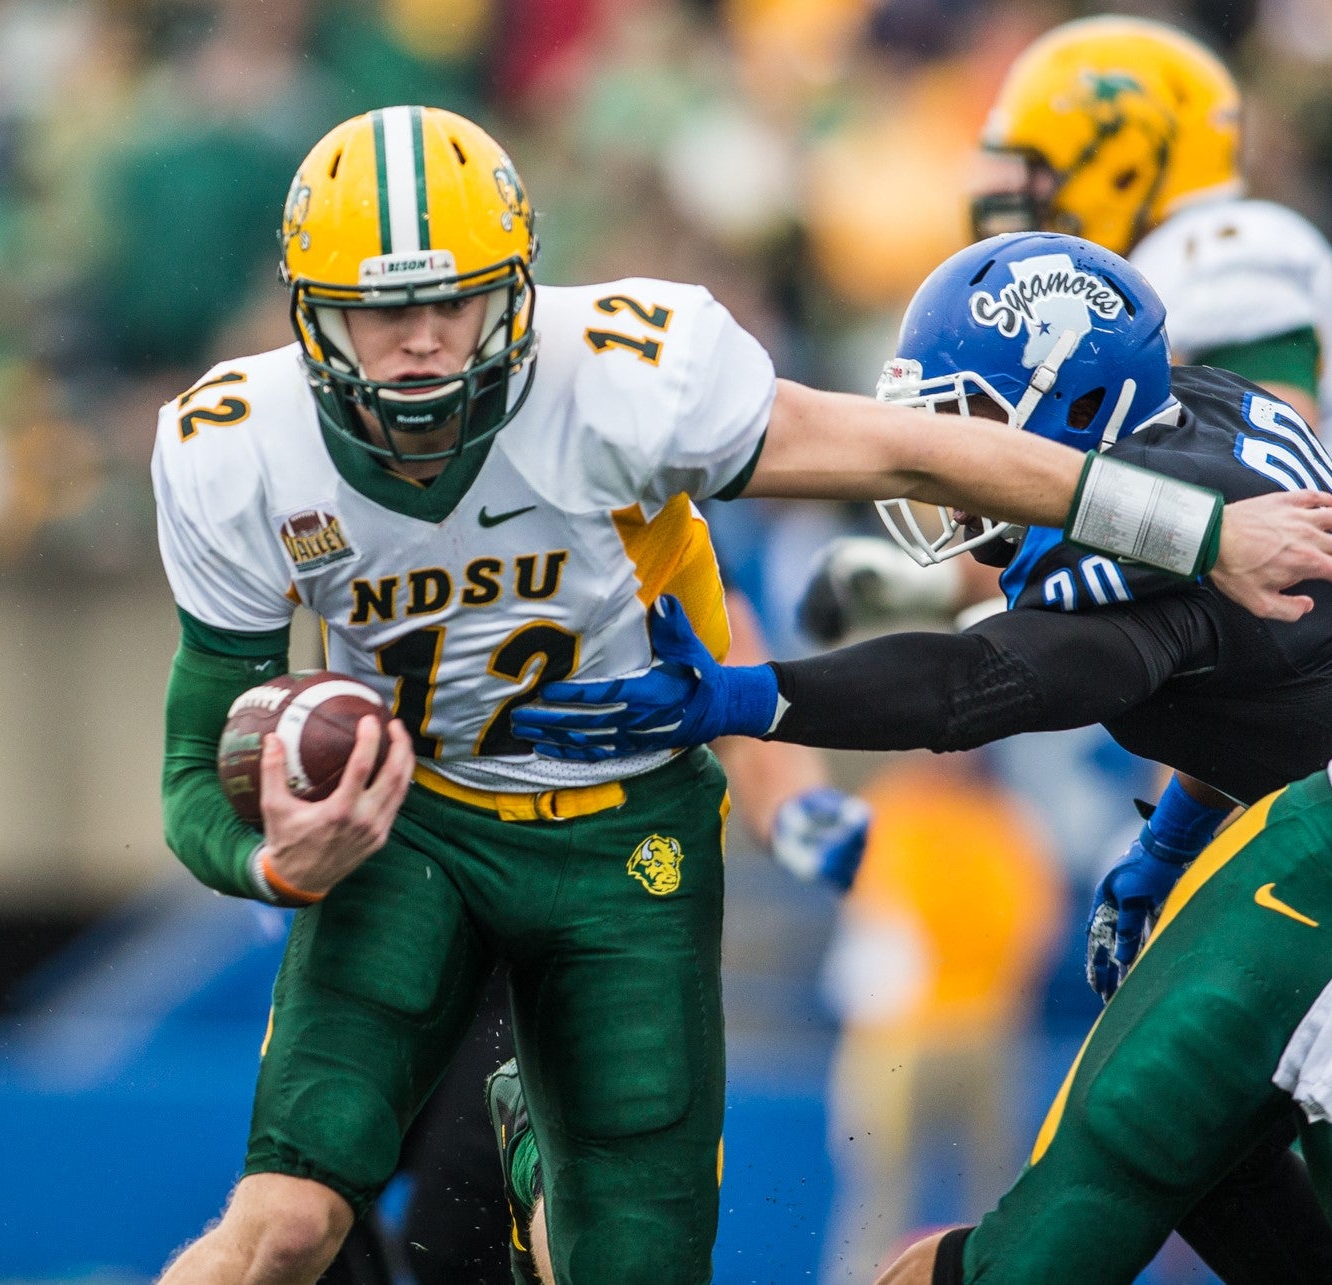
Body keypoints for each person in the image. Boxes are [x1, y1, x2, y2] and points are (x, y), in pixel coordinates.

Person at [150, 103, 1332, 1285]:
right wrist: (273, 864)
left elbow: (955, 586)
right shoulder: (236, 445)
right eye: (377, 311)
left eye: (447, 302)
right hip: (416, 827)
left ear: (512, 283)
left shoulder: (623, 377)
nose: (417, 345)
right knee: (291, 1225)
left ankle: (537, 1164)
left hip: (619, 830)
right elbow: (196, 763)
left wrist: (750, 704)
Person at [510, 230, 1332, 1281]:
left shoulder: (1144, 560)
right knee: (1213, 1160)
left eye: (971, 421)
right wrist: (1173, 837)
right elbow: (1262, 684)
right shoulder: (1196, 412)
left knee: (1116, 1148)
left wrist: (750, 698)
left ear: (1074, 406)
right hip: (1299, 840)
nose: (948, 456)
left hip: (1314, 881)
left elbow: (974, 683)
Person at [869, 756, 1332, 1284]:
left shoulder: (995, 817)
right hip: (911, 1027)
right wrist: (1171, 835)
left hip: (995, 1020)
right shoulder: (903, 811)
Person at [971, 15, 1332, 432]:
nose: (1022, 191)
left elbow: (1266, 455)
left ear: (1123, 164)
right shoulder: (1145, 268)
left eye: (1038, 171)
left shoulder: (1218, 252)